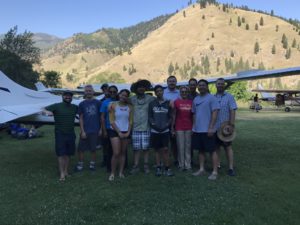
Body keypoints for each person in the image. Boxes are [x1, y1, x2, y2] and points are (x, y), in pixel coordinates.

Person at [43, 91, 78, 181]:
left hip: (71, 133)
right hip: (60, 133)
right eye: (66, 96)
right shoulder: (57, 105)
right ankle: (61, 173)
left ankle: (66, 171)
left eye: (69, 96)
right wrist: (48, 112)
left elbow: (83, 113)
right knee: (61, 154)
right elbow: (44, 109)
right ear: (62, 97)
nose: (68, 97)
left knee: (68, 153)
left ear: (71, 98)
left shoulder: (74, 107)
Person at [192, 79, 220, 180]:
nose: (201, 87)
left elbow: (215, 113)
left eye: (203, 85)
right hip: (198, 130)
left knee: (212, 151)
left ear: (207, 87)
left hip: (208, 129)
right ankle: (201, 169)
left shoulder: (212, 98)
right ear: (197, 87)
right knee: (201, 151)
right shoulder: (196, 99)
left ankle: (215, 172)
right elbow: (194, 113)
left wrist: (211, 127)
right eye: (199, 85)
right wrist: (194, 126)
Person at [129, 80, 155, 174]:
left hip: (146, 126)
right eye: (139, 87)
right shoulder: (131, 99)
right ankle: (135, 166)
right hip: (135, 127)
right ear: (136, 89)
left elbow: (160, 102)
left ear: (145, 88)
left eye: (143, 87)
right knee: (136, 148)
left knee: (146, 148)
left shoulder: (150, 98)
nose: (141, 88)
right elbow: (122, 102)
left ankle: (146, 165)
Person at [74, 85, 101, 172]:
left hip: (95, 130)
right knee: (81, 149)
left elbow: (101, 117)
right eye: (87, 91)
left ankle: (92, 165)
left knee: (93, 149)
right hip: (85, 130)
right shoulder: (82, 104)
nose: (88, 92)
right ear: (84, 92)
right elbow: (81, 118)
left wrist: (100, 129)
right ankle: (80, 164)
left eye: (90, 91)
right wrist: (82, 131)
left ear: (93, 92)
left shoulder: (98, 103)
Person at [108, 89, 133, 181]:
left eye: (126, 95)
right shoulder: (113, 105)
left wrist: (128, 132)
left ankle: (121, 172)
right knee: (116, 153)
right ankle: (112, 173)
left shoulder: (130, 106)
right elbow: (111, 121)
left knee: (123, 153)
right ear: (119, 95)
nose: (124, 97)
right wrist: (118, 132)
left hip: (126, 131)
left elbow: (130, 121)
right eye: (122, 95)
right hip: (115, 131)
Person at [149, 85, 174, 177]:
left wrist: (167, 125)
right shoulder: (152, 103)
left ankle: (167, 167)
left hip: (165, 130)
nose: (159, 92)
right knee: (157, 150)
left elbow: (171, 116)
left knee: (166, 149)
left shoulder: (168, 103)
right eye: (157, 91)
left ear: (163, 92)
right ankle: (158, 167)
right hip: (155, 131)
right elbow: (150, 116)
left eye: (160, 91)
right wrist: (154, 125)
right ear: (155, 93)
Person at [214, 78, 237, 176]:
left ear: (224, 85)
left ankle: (231, 168)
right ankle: (217, 165)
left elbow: (232, 110)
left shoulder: (229, 97)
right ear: (216, 85)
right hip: (215, 127)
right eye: (218, 84)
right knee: (216, 148)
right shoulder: (212, 97)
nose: (220, 85)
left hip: (225, 127)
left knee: (228, 147)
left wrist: (231, 125)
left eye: (222, 84)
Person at [172, 86, 193, 171]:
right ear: (180, 93)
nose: (184, 93)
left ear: (188, 93)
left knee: (188, 146)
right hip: (179, 127)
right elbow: (173, 115)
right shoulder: (176, 102)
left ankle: (188, 165)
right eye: (182, 92)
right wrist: (172, 127)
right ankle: (181, 165)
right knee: (180, 146)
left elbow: (193, 116)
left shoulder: (191, 102)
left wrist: (194, 127)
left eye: (185, 92)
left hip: (189, 127)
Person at [100, 85, 118, 172]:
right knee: (109, 149)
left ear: (117, 92)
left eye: (114, 92)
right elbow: (102, 117)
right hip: (108, 127)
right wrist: (104, 130)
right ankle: (109, 167)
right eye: (110, 92)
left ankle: (123, 165)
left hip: (120, 128)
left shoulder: (121, 101)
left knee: (121, 149)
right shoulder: (105, 102)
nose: (112, 93)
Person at [163, 75, 180, 167]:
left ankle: (176, 159)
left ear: (176, 82)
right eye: (170, 81)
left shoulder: (179, 93)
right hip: (165, 119)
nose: (172, 83)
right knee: (165, 142)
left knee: (175, 142)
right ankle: (164, 160)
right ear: (167, 82)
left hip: (178, 119)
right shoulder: (163, 92)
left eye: (173, 81)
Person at [100, 83, 110, 168]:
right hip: (104, 126)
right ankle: (105, 160)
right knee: (105, 144)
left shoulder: (115, 99)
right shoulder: (101, 101)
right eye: (104, 89)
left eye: (107, 89)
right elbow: (101, 116)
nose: (106, 91)